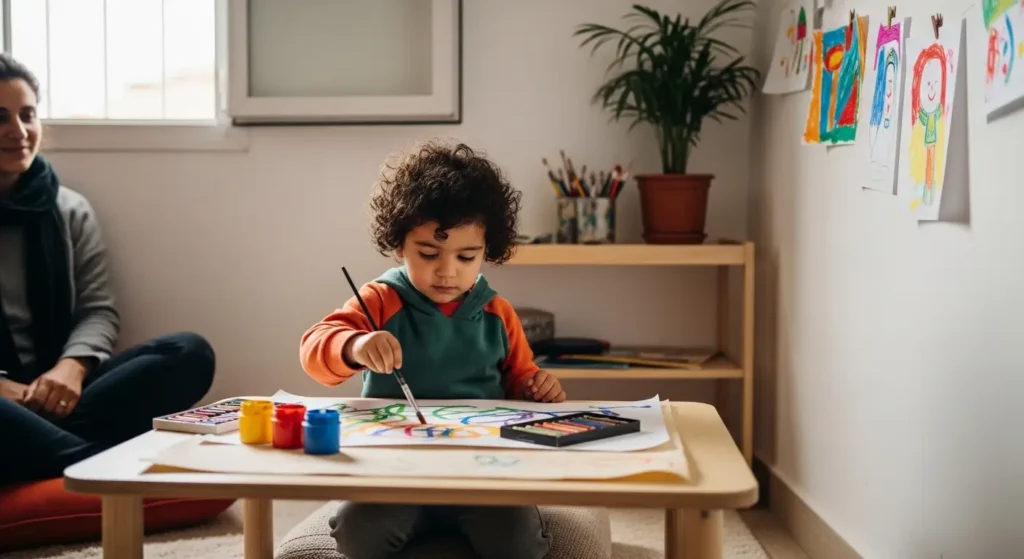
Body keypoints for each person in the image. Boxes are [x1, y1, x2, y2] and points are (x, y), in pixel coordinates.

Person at [299, 140, 565, 559]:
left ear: (487, 252)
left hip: (483, 473)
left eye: (466, 256)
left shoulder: (498, 314)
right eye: (428, 253)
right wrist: (354, 344)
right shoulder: (381, 300)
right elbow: (315, 349)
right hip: (393, 473)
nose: (447, 270)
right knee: (358, 535)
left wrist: (538, 387)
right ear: (399, 245)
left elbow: (522, 383)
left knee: (518, 543)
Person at [0, 53, 216, 484]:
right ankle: (105, 463)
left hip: (61, 392)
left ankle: (50, 453)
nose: (19, 132)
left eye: (28, 115)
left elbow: (98, 311)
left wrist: (71, 369)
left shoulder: (68, 209)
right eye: (0, 118)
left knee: (190, 352)